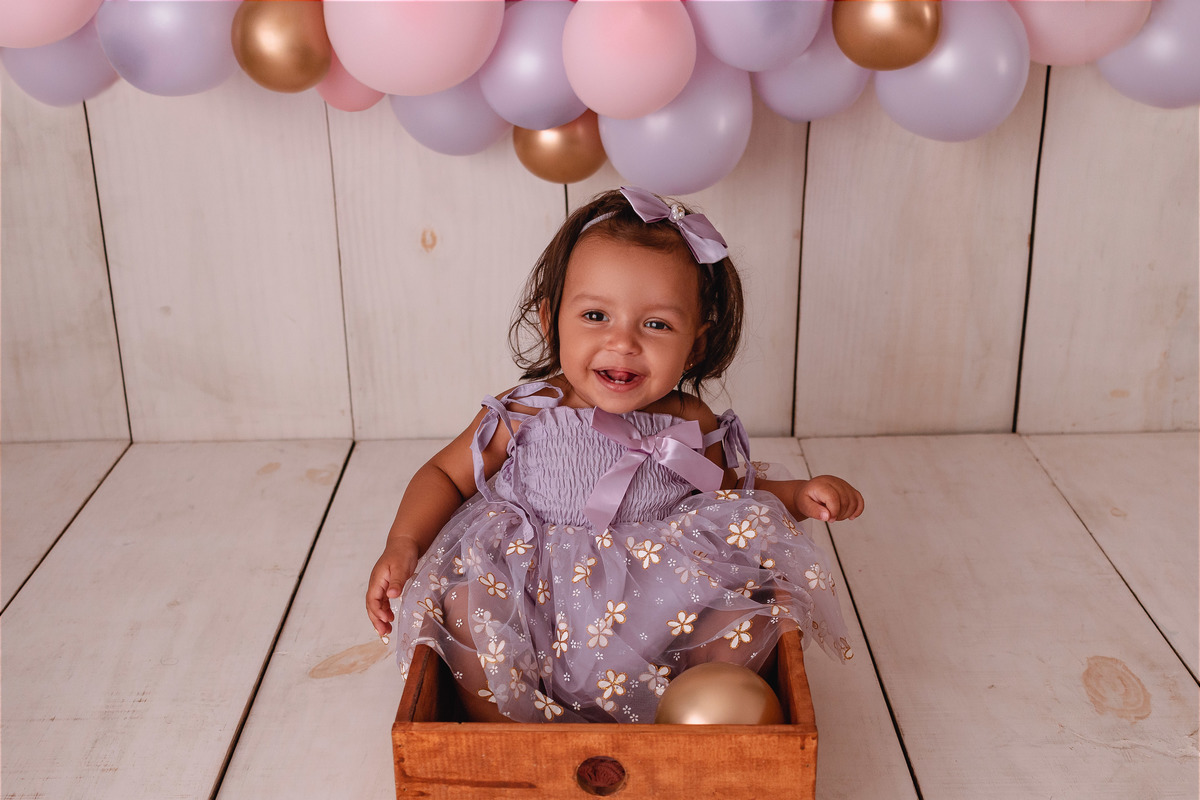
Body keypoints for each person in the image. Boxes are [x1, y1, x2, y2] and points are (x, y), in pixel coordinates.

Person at [366, 187, 862, 724]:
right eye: (596, 315)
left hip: (657, 605)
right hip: (533, 597)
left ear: (695, 345)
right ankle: (508, 734)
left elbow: (732, 493)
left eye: (656, 324)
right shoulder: (529, 410)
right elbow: (445, 473)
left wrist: (797, 495)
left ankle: (680, 720)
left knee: (751, 617)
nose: (622, 342)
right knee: (465, 607)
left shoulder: (691, 421)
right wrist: (404, 541)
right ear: (551, 319)